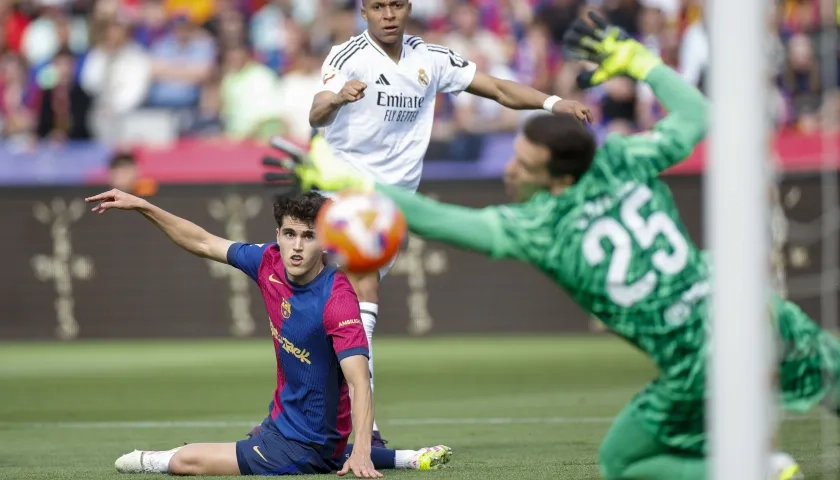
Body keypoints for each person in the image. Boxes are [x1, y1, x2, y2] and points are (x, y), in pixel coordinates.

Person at [271, 12, 826, 480]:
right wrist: (641, 63)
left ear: (554, 178)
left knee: (622, 460)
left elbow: (442, 218)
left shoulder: (538, 229)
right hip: (756, 312)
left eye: (523, 164)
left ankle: (749, 467)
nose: (510, 169)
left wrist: (349, 183)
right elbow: (700, 116)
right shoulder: (623, 159)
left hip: (693, 361)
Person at [308, 0, 593, 447]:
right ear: (365, 12)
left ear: (406, 9)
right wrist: (338, 99)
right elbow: (317, 110)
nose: (388, 14)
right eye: (378, 6)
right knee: (359, 291)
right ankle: (367, 429)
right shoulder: (347, 56)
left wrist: (554, 102)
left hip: (395, 206)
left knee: (325, 314)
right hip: (342, 196)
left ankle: (311, 419)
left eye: (396, 5)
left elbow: (497, 89)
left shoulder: (432, 59)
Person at [83, 189, 453, 477]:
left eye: (308, 236)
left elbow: (359, 382)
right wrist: (143, 206)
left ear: (325, 240)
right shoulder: (267, 261)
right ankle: (409, 458)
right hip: (286, 423)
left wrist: (360, 451)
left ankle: (153, 458)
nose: (296, 245)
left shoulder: (337, 299)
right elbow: (202, 241)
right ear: (278, 233)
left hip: (304, 445)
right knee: (271, 437)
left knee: (186, 461)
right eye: (289, 234)